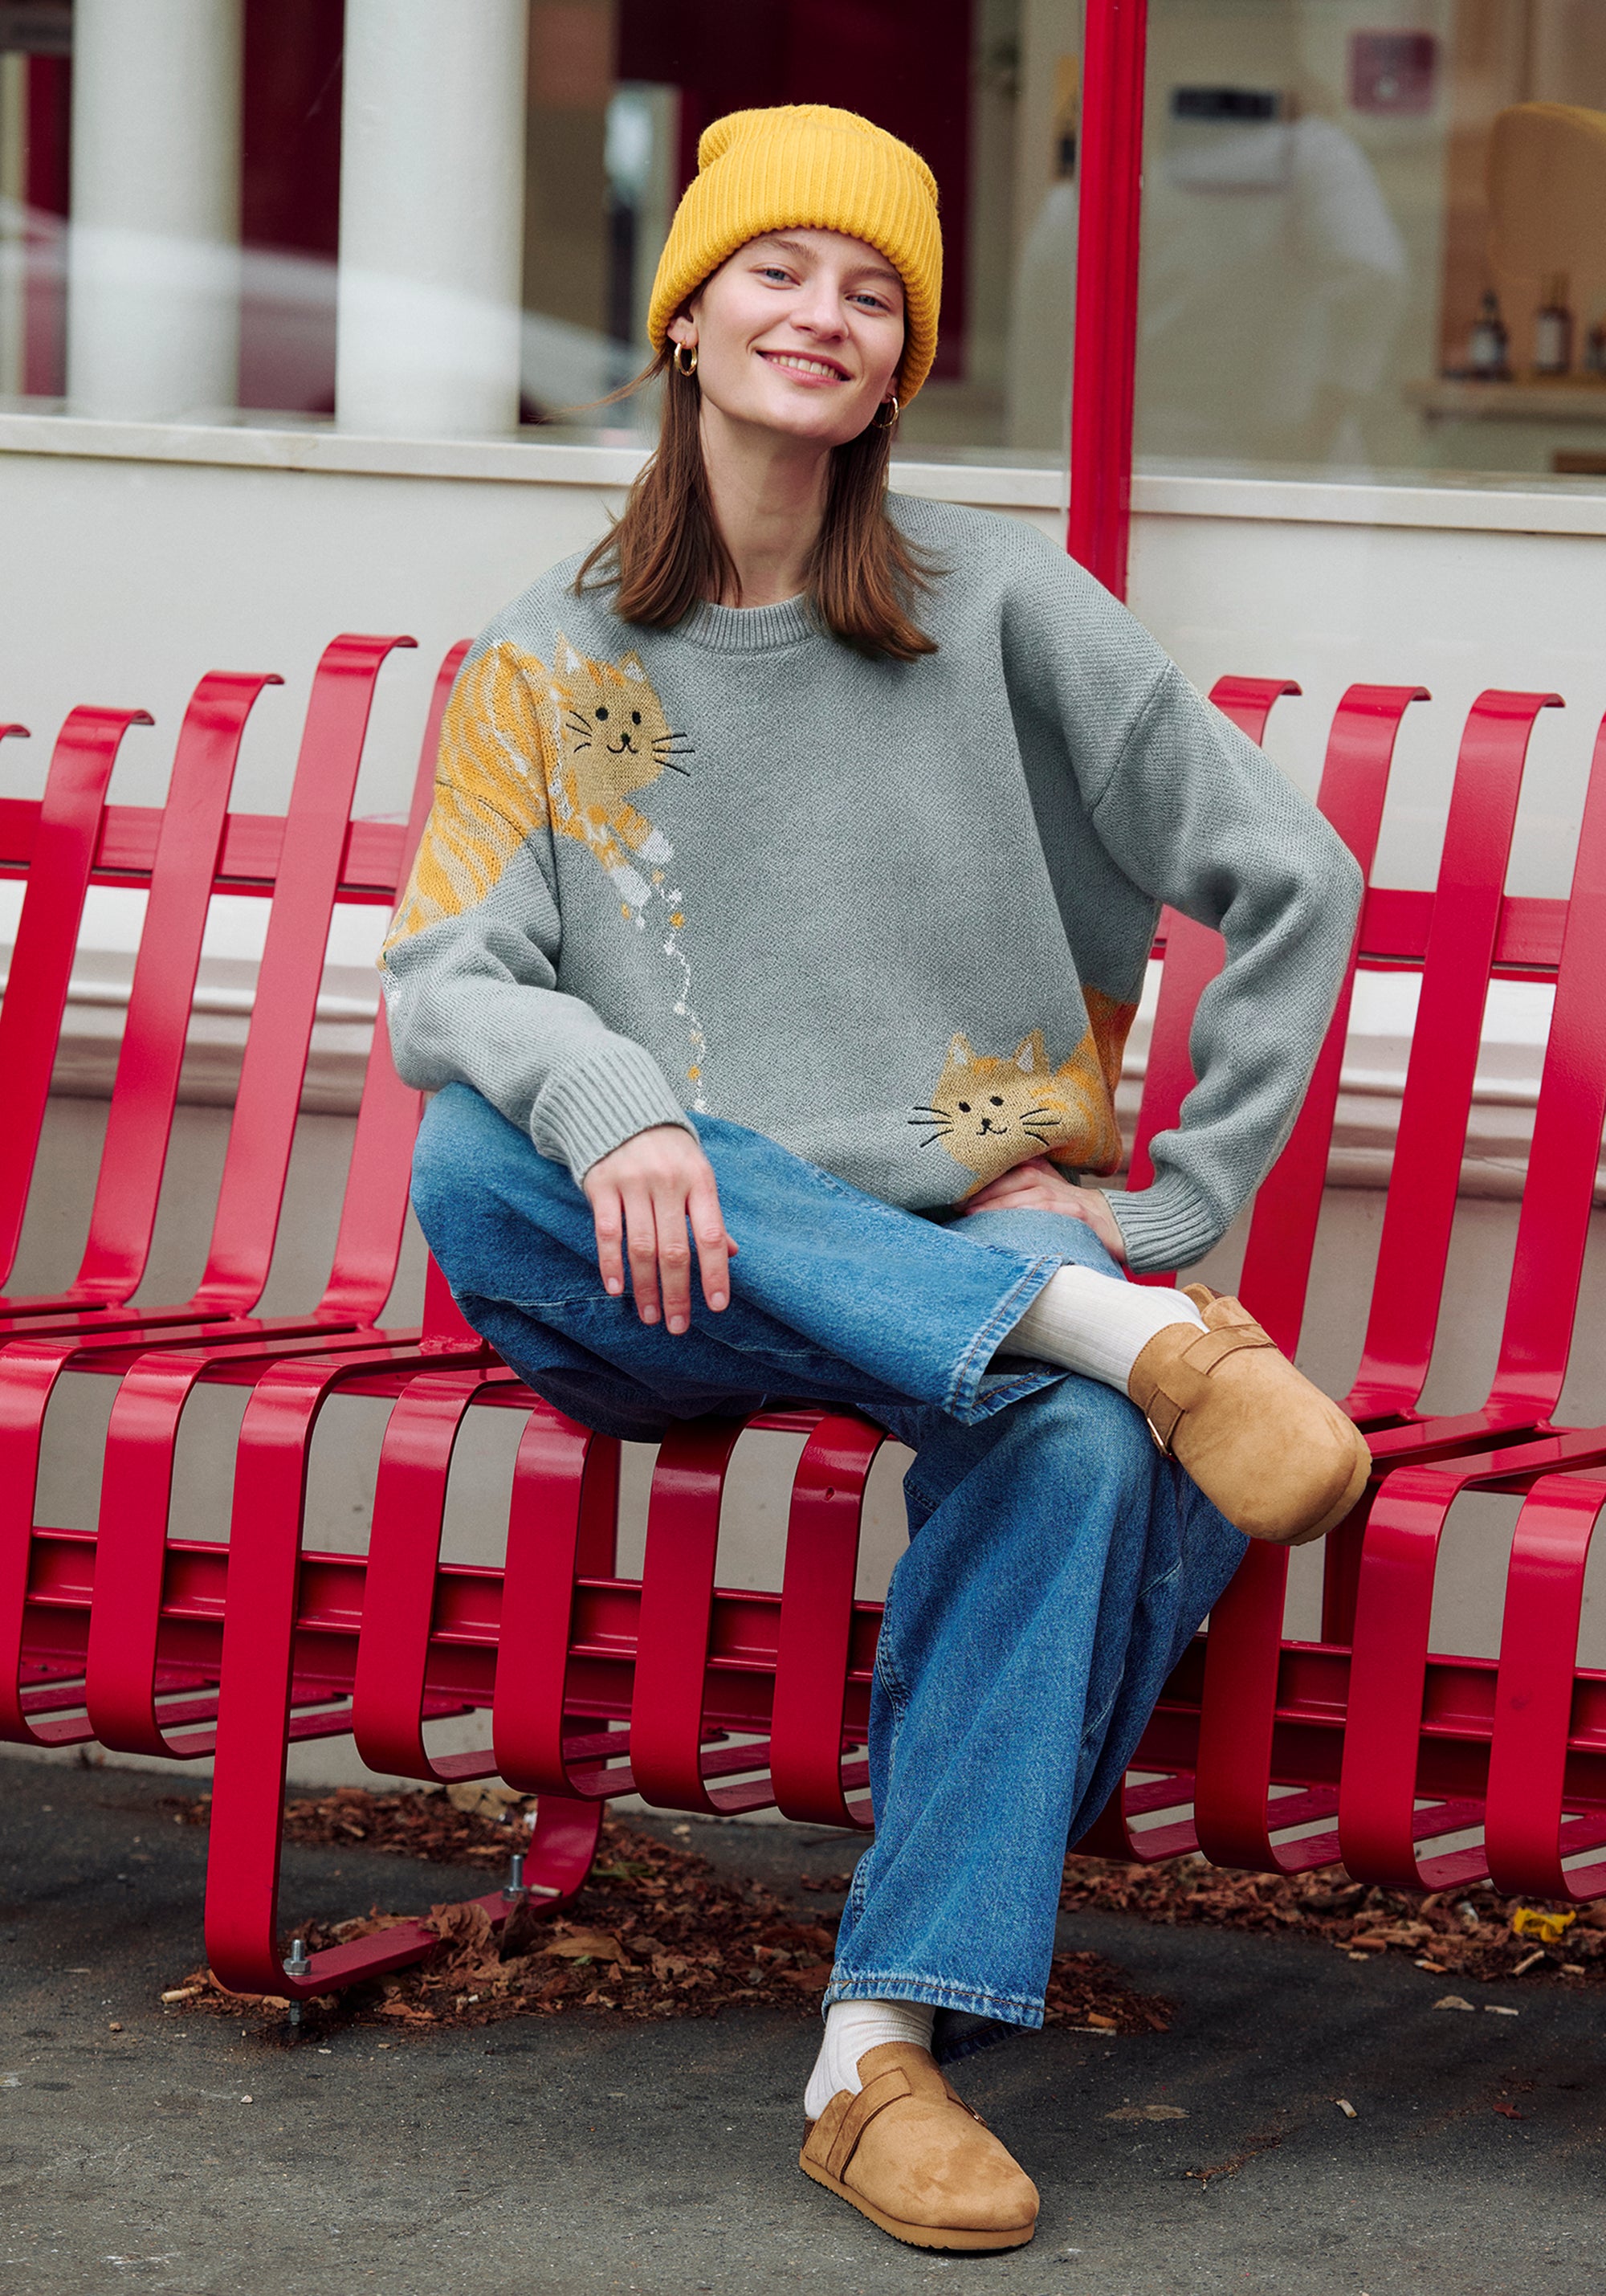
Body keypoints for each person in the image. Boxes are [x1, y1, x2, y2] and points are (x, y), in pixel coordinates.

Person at [381, 104, 1366, 2255]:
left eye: (877, 291)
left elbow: (1292, 873)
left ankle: (876, 2051)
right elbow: (452, 978)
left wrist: (1180, 1197)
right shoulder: (546, 658)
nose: (823, 314)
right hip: (676, 1263)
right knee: (483, 1153)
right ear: (689, 315)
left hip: (949, 1250)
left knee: (1094, 1462)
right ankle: (1117, 1335)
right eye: (780, 270)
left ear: (904, 363)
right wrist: (617, 1104)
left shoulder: (998, 601)